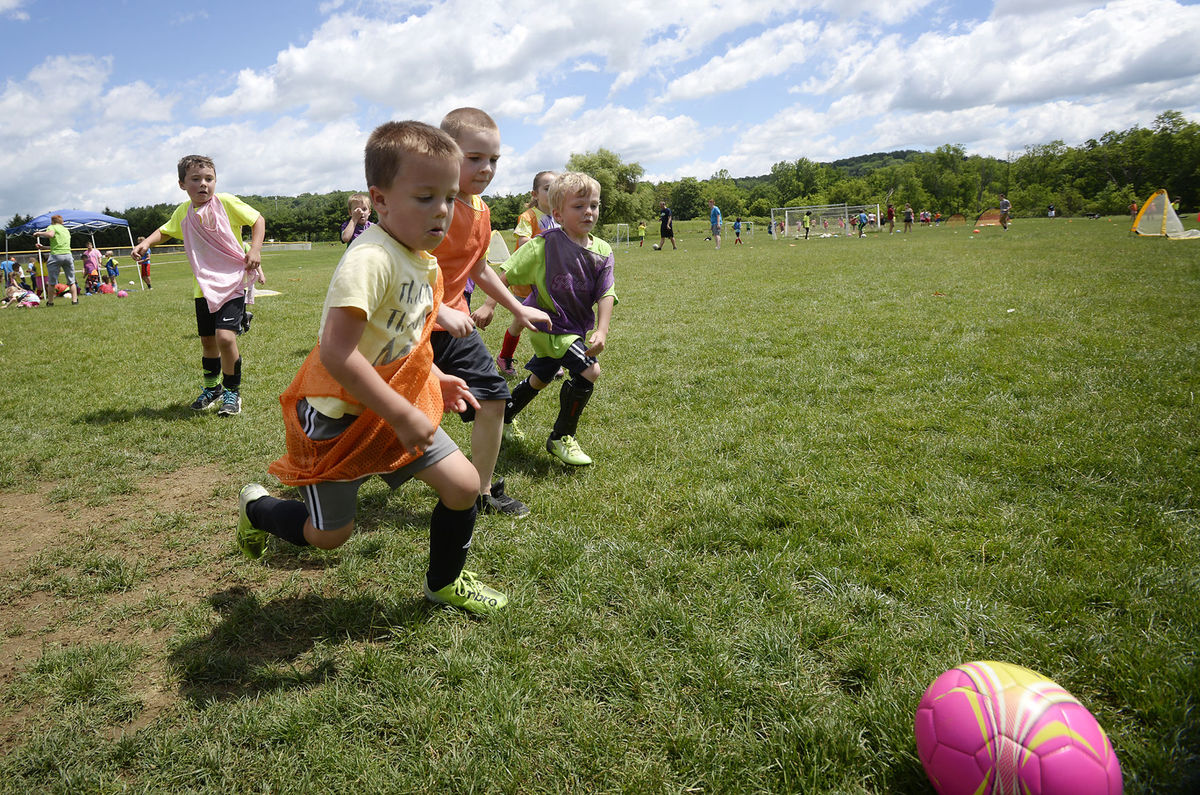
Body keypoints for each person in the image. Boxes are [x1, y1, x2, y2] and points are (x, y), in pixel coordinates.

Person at [236, 120, 507, 615]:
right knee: (329, 535)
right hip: (339, 421)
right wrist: (404, 415)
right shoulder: (371, 260)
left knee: (465, 486)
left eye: (448, 197)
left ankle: (443, 582)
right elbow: (337, 354)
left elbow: (407, 336)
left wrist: (436, 377)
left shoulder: (423, 261)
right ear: (378, 200)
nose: (442, 211)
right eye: (425, 197)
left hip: (396, 408)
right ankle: (257, 508)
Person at [427, 107, 551, 517]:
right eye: (474, 158)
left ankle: (480, 492)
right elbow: (398, 271)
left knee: (493, 397)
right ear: (446, 152)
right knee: (385, 415)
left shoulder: (480, 210)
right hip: (408, 327)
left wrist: (517, 307)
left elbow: (477, 266)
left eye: (493, 159)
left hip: (456, 324)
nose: (486, 168)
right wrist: (438, 311)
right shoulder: (426, 204)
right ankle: (327, 473)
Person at [131, 155, 265, 417]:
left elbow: (257, 220)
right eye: (196, 179)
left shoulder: (225, 202)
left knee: (225, 337)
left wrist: (256, 249)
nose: (204, 184)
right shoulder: (183, 211)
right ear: (182, 184)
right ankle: (212, 388)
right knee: (207, 341)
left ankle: (232, 394)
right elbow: (166, 230)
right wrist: (146, 242)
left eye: (209, 179)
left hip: (232, 282)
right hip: (203, 286)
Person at [500, 172, 615, 467]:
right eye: (579, 206)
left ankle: (504, 416)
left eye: (594, 205)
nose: (588, 212)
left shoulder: (602, 251)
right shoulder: (544, 245)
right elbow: (505, 275)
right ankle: (562, 436)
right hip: (548, 326)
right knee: (590, 371)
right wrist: (492, 305)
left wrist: (601, 330)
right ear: (558, 214)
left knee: (541, 379)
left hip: (575, 327)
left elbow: (606, 292)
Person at [489, 170, 558, 378]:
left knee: (551, 318)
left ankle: (552, 359)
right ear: (534, 194)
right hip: (526, 283)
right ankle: (505, 357)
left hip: (548, 281)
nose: (552, 192)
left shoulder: (558, 216)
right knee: (521, 322)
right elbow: (523, 242)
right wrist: (547, 243)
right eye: (547, 188)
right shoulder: (527, 217)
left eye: (556, 188)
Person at [32, 214, 78, 305]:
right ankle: (75, 300)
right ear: (61, 222)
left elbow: (50, 234)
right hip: (68, 255)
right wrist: (43, 247)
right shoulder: (66, 230)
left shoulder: (52, 227)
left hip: (56, 256)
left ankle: (50, 302)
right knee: (71, 280)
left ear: (52, 221)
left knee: (52, 282)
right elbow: (57, 246)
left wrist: (39, 233)